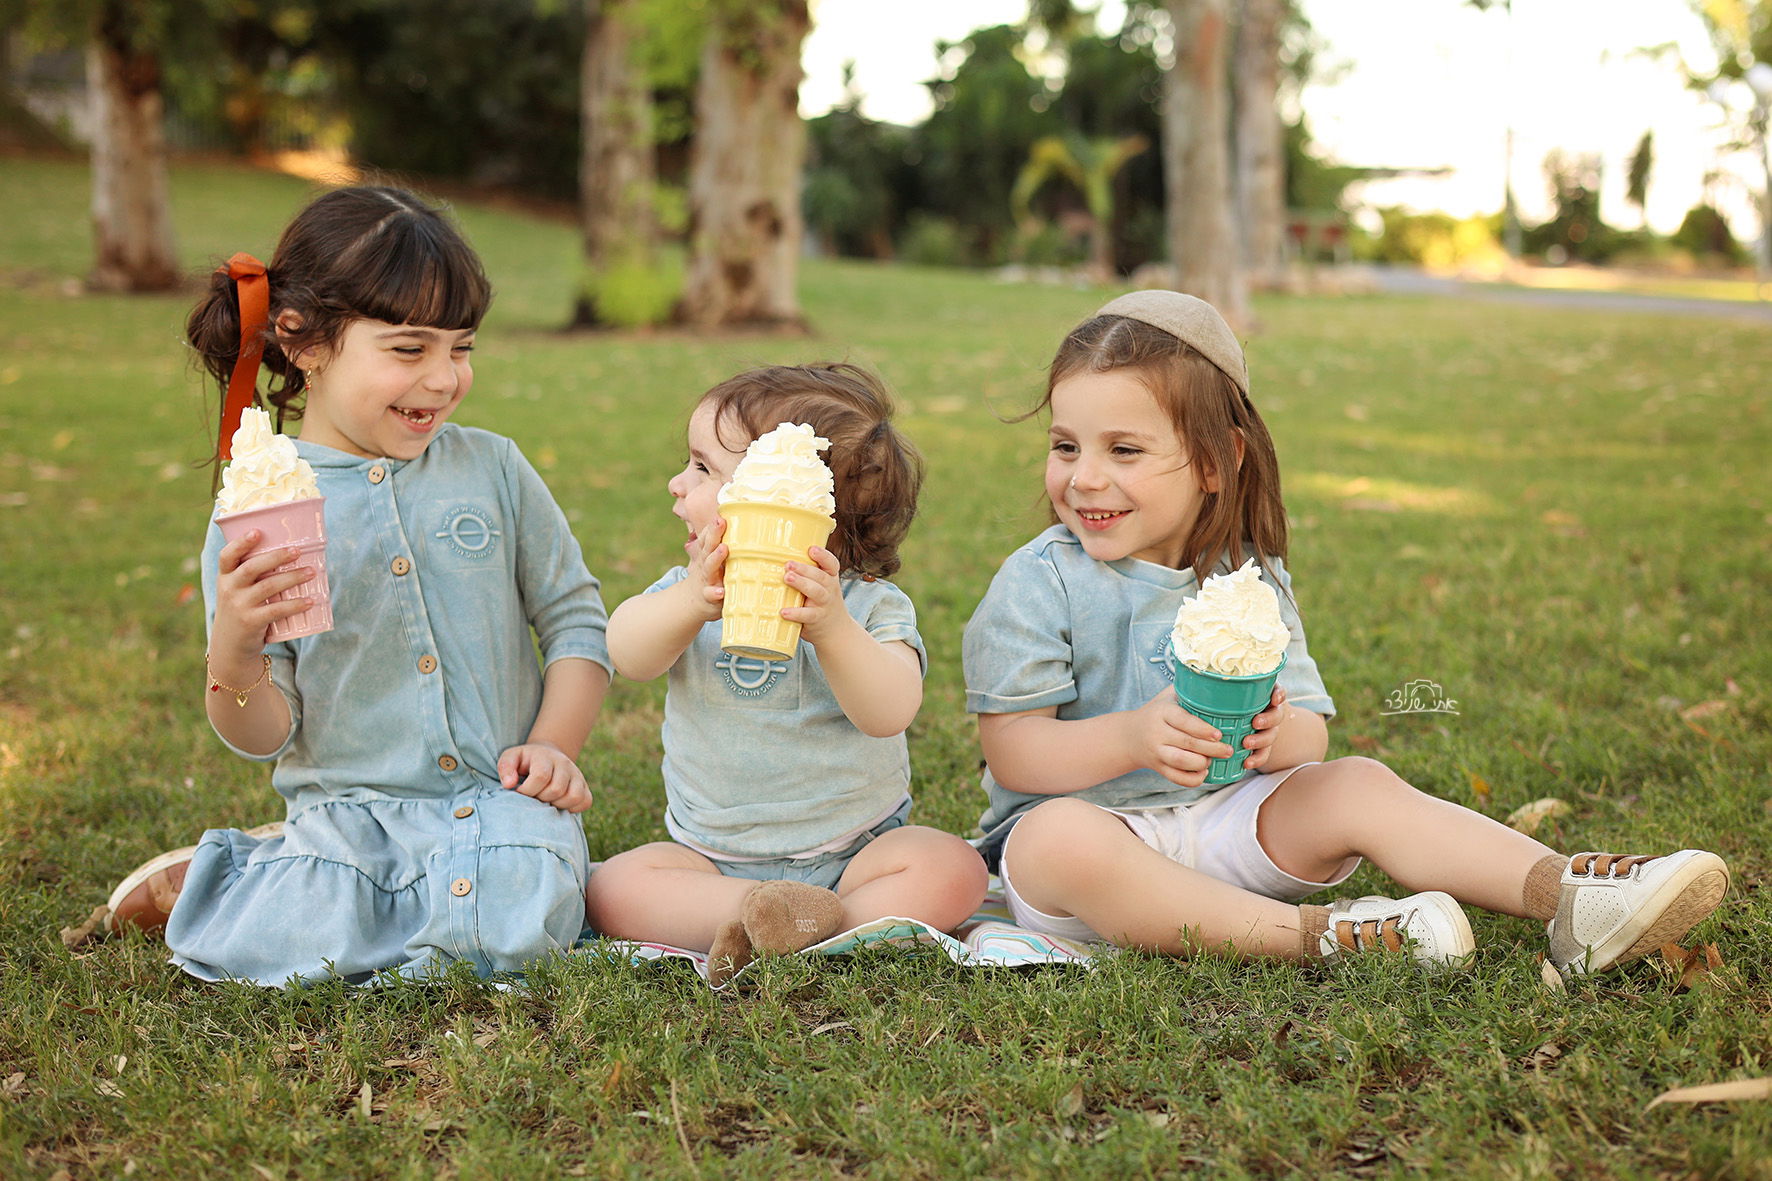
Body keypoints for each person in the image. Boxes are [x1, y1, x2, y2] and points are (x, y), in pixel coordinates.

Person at [963, 290, 1729, 975]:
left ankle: (1570, 894)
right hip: (1092, 857)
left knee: (1359, 782)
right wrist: (1132, 737)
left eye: (1122, 449)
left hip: (1231, 826)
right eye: (1067, 446)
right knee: (1055, 838)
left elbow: (1310, 738)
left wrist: (1275, 734)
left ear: (1216, 462)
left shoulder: (1246, 577)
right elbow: (1015, 751)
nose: (1083, 477)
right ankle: (1328, 935)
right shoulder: (1042, 581)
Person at [103, 185, 612, 986]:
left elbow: (578, 622)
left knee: (529, 893)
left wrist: (551, 747)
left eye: (462, 347)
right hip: (351, 821)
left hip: (501, 806)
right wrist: (236, 652)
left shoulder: (494, 470)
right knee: (311, 918)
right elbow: (264, 730)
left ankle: (371, 899)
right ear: (303, 342)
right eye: (410, 350)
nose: (444, 379)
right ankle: (246, 869)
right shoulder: (259, 512)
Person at [585, 363, 987, 985]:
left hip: (855, 854)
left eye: (701, 469)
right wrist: (692, 603)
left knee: (953, 866)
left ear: (780, 502)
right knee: (614, 888)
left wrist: (832, 631)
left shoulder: (869, 607)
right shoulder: (688, 593)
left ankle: (816, 918)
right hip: (713, 861)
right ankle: (782, 921)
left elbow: (889, 711)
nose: (676, 483)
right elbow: (630, 654)